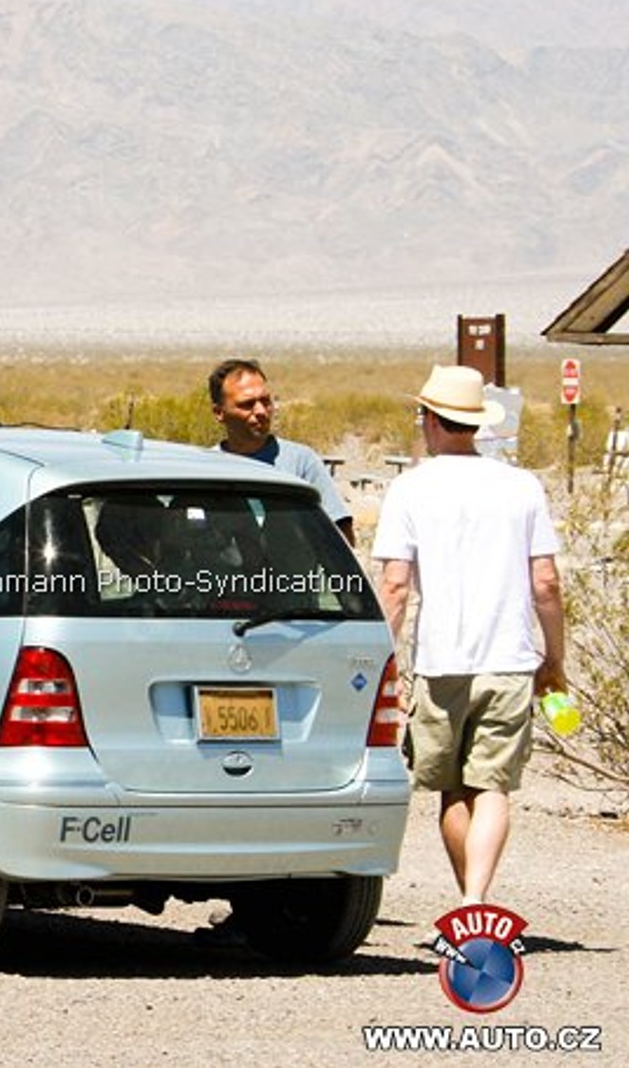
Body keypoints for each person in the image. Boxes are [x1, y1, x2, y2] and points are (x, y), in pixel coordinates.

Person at [372, 365, 566, 908]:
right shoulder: (522, 485)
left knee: (452, 790)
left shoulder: (410, 488)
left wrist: (386, 665)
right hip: (508, 657)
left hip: (440, 662)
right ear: (474, 424)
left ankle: (472, 906)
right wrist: (554, 660)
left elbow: (394, 585)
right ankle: (476, 902)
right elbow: (546, 583)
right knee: (494, 786)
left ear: (429, 419)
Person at [209, 358, 356, 545]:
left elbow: (341, 536)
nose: (261, 411)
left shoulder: (301, 463)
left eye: (265, 401)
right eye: (247, 404)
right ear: (219, 413)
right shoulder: (207, 468)